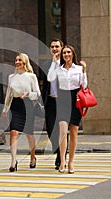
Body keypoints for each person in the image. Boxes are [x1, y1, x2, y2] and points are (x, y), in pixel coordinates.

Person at [47, 45, 87, 174]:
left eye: (69, 52)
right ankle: (62, 161)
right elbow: (50, 78)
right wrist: (54, 62)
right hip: (62, 98)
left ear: (73, 54)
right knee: (63, 130)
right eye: (64, 53)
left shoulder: (79, 68)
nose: (66, 55)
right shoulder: (59, 69)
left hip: (76, 99)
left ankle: (71, 162)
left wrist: (85, 71)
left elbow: (84, 85)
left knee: (74, 131)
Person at [2, 53, 41, 172]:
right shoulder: (11, 77)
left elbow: (37, 94)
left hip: (28, 105)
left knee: (29, 133)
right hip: (15, 106)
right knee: (14, 132)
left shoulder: (31, 76)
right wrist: (5, 108)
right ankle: (13, 161)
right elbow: (9, 94)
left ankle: (33, 157)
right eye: (16, 60)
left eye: (20, 60)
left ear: (25, 62)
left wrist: (28, 94)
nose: (17, 62)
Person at [39, 39, 65, 170]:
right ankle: (59, 152)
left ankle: (61, 158)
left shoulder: (67, 64)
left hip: (63, 103)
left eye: (57, 47)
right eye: (52, 47)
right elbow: (44, 84)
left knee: (62, 130)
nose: (55, 49)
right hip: (50, 102)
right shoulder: (46, 64)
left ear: (62, 48)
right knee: (51, 131)